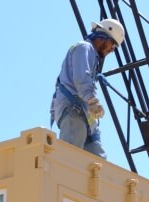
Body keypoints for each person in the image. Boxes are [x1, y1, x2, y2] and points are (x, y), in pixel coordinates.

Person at [50, 18, 125, 159]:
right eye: (113, 45)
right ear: (104, 38)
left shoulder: (91, 55)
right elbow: (81, 78)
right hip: (74, 110)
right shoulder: (84, 47)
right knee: (69, 159)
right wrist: (92, 101)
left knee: (98, 165)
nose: (111, 50)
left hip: (84, 114)